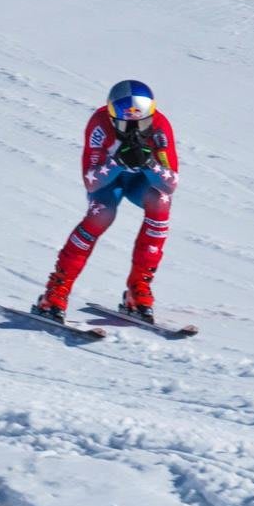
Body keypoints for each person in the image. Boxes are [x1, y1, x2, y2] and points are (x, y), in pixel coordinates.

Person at [33, 79, 180, 323]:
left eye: (142, 123)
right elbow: (92, 182)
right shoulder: (100, 125)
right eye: (126, 124)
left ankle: (139, 288)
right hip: (108, 184)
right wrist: (116, 162)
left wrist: (150, 163)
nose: (135, 130)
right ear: (113, 119)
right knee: (101, 214)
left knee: (160, 202)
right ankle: (56, 291)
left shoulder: (160, 126)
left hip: (138, 181)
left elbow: (170, 184)